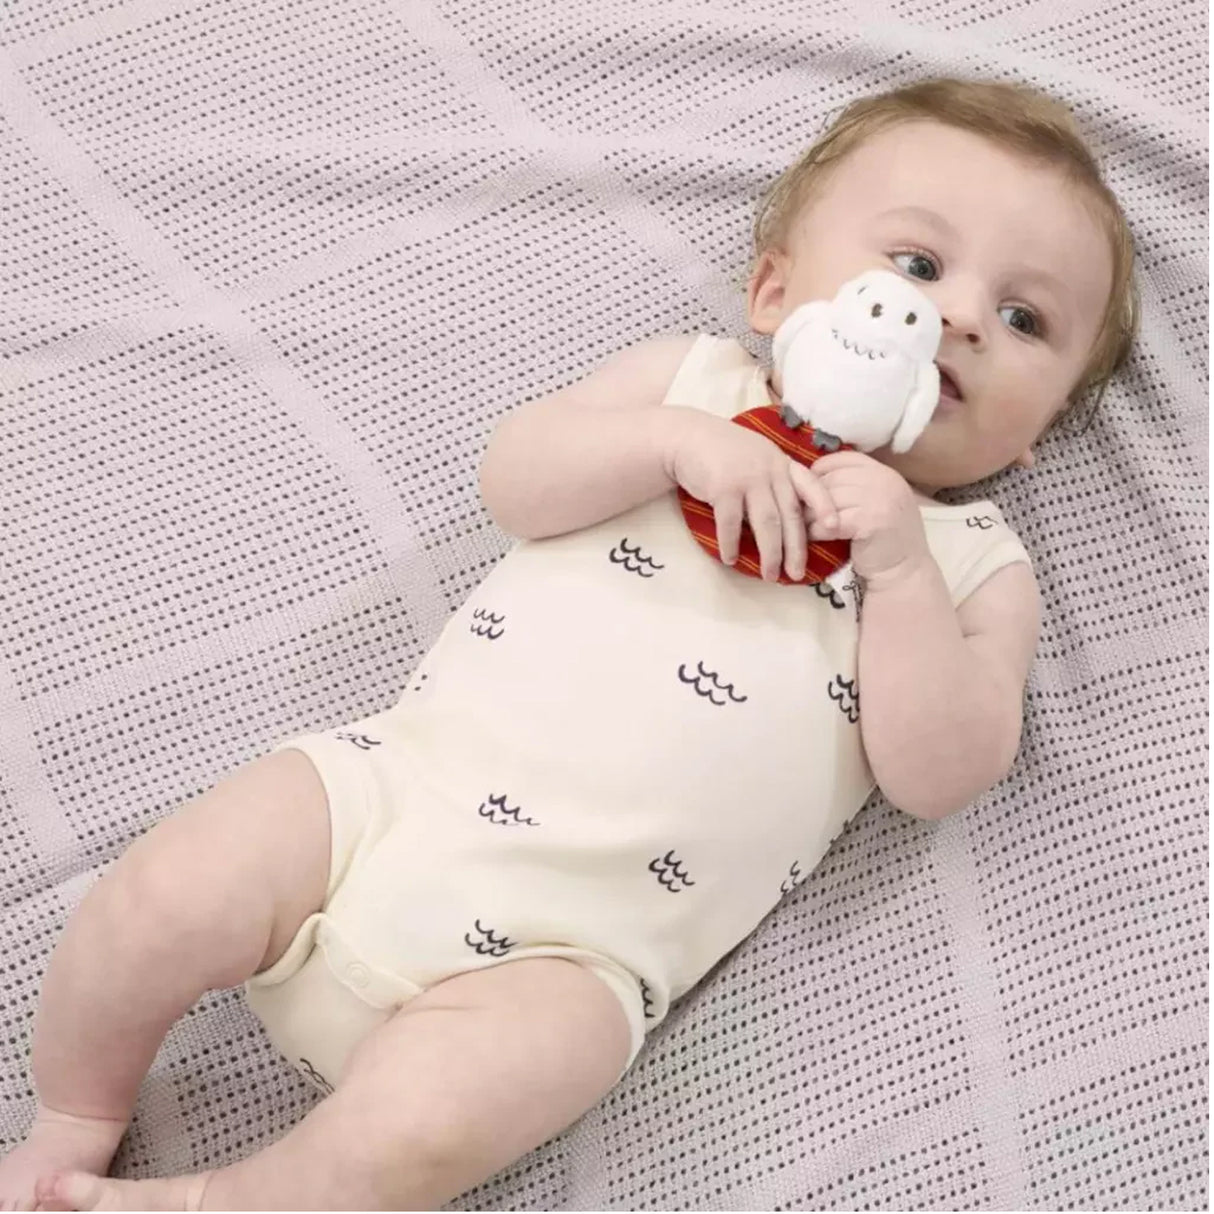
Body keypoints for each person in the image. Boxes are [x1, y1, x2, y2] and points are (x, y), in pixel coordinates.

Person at [1, 75, 1137, 1211]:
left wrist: (894, 569)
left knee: (431, 1124)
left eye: (1026, 320)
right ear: (772, 289)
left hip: (567, 955)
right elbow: (515, 480)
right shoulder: (686, 385)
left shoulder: (973, 564)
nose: (959, 317)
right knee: (153, 897)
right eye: (917, 265)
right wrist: (672, 446)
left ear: (1033, 439)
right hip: (386, 798)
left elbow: (941, 771)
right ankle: (72, 1120)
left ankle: (223, 1199)